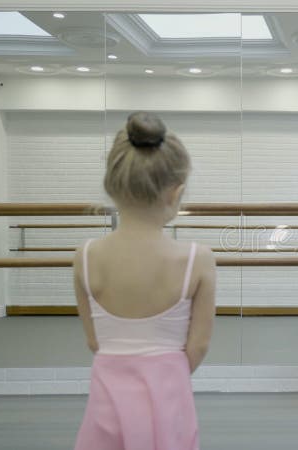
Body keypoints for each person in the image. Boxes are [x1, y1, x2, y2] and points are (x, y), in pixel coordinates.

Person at [73, 112, 216, 450]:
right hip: (169, 400)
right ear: (176, 192)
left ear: (113, 184)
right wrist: (163, 372)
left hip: (106, 401)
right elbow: (197, 347)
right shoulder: (198, 260)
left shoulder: (86, 256)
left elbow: (95, 341)